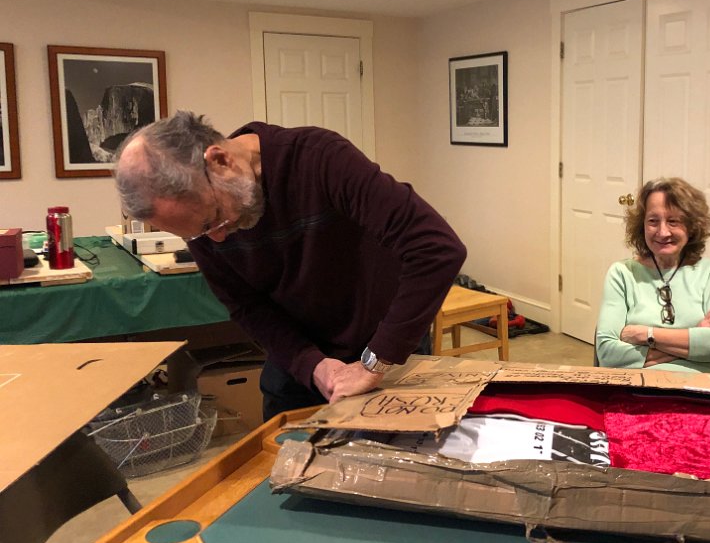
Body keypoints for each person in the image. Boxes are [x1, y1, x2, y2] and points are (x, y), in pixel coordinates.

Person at [114, 112, 467, 418]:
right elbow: (247, 306)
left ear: (220, 161)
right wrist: (311, 365)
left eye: (213, 219)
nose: (216, 240)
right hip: (299, 361)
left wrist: (376, 361)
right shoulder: (203, 227)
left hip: (385, 349)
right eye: (198, 235)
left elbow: (436, 249)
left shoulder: (319, 159)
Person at [595, 177, 710, 373]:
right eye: (653, 221)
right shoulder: (622, 274)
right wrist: (695, 338)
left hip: (702, 387)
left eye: (673, 221)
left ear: (691, 226)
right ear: (642, 225)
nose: (662, 232)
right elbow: (607, 354)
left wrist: (645, 335)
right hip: (638, 387)